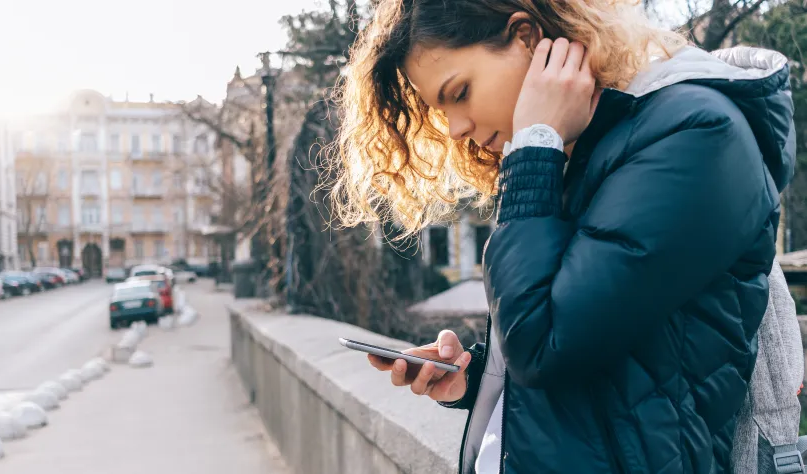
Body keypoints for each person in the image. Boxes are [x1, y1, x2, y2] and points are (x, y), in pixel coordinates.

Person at [327, 0, 797, 473]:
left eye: (460, 92)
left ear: (528, 39)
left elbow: (544, 343)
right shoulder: (589, 149)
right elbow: (620, 354)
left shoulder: (693, 134)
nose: (456, 129)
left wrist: (535, 146)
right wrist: (475, 379)